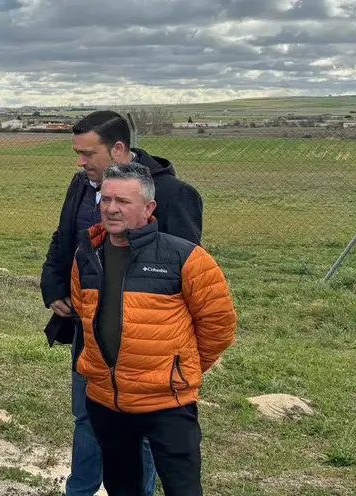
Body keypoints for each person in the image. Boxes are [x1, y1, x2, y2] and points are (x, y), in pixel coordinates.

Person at [40, 110, 204, 496]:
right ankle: (79, 491)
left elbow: (191, 278)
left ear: (118, 149)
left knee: (141, 435)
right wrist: (54, 287)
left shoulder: (173, 195)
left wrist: (173, 352)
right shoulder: (82, 185)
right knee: (85, 418)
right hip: (91, 333)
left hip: (148, 350)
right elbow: (66, 237)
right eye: (77, 153)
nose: (80, 163)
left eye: (88, 153)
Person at [70, 162, 235, 495]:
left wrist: (177, 368)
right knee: (121, 486)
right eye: (106, 199)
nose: (111, 209)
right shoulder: (87, 256)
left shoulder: (186, 258)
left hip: (168, 401)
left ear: (148, 208)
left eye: (124, 202)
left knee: (182, 487)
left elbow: (219, 326)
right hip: (106, 400)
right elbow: (83, 315)